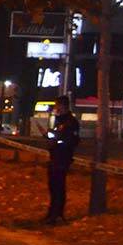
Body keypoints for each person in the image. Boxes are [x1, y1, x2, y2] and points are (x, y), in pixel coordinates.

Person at [45, 95, 80, 225]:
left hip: (62, 159)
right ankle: (51, 213)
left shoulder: (71, 122)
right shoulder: (59, 121)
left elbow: (72, 141)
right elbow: (56, 136)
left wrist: (58, 141)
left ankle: (57, 214)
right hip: (55, 157)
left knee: (59, 188)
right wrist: (50, 137)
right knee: (53, 187)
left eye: (57, 105)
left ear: (63, 106)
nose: (55, 108)